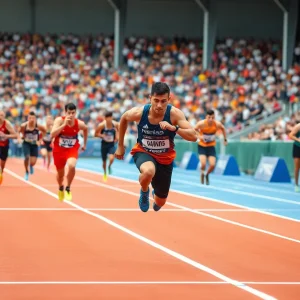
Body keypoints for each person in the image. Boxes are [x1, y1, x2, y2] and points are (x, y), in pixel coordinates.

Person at [114, 82, 197, 213]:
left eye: (163, 101)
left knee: (160, 202)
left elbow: (193, 136)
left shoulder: (174, 114)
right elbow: (124, 118)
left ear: (169, 99)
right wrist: (120, 145)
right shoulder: (140, 113)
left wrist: (174, 128)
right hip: (144, 152)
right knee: (148, 172)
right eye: (156, 100)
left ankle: (156, 196)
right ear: (150, 98)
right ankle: (145, 191)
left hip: (165, 158)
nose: (159, 105)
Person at [51, 103, 88, 202]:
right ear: (65, 112)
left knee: (72, 165)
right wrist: (63, 125)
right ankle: (60, 187)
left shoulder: (79, 123)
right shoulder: (59, 120)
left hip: (72, 148)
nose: (71, 115)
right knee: (60, 175)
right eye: (69, 113)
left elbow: (86, 129)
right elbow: (52, 134)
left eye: (73, 113)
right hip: (59, 150)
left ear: (76, 113)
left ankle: (68, 188)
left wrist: (84, 144)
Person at [194, 109, 228, 185]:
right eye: (209, 117)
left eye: (213, 117)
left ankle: (207, 174)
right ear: (206, 117)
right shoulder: (201, 124)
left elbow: (223, 128)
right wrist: (200, 136)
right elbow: (194, 130)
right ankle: (202, 173)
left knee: (212, 165)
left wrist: (225, 139)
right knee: (203, 164)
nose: (211, 119)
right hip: (202, 146)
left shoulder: (216, 124)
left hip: (211, 146)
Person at [20, 112, 47, 180]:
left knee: (33, 162)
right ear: (27, 118)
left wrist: (40, 140)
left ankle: (31, 166)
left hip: (34, 144)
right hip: (26, 143)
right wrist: (21, 137)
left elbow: (44, 131)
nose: (31, 119)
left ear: (35, 119)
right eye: (30, 118)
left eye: (33, 118)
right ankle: (26, 171)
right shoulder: (24, 126)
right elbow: (20, 132)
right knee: (26, 157)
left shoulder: (38, 126)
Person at [94, 111, 119, 181]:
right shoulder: (101, 125)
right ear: (105, 118)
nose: (109, 119)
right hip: (104, 144)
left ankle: (109, 166)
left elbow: (119, 131)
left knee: (111, 158)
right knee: (104, 161)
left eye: (111, 118)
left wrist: (117, 137)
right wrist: (102, 135)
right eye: (108, 118)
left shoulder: (115, 124)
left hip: (111, 144)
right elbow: (95, 134)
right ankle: (105, 173)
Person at [0, 110, 18, 185]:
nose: (0, 117)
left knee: (2, 164)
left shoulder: (7, 124)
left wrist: (6, 136)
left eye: (2, 116)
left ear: (4, 117)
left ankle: (1, 173)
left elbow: (15, 135)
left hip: (4, 145)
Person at [288, 123, 300, 192]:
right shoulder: (298, 126)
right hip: (297, 147)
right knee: (297, 167)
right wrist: (298, 140)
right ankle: (296, 184)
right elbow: (290, 135)